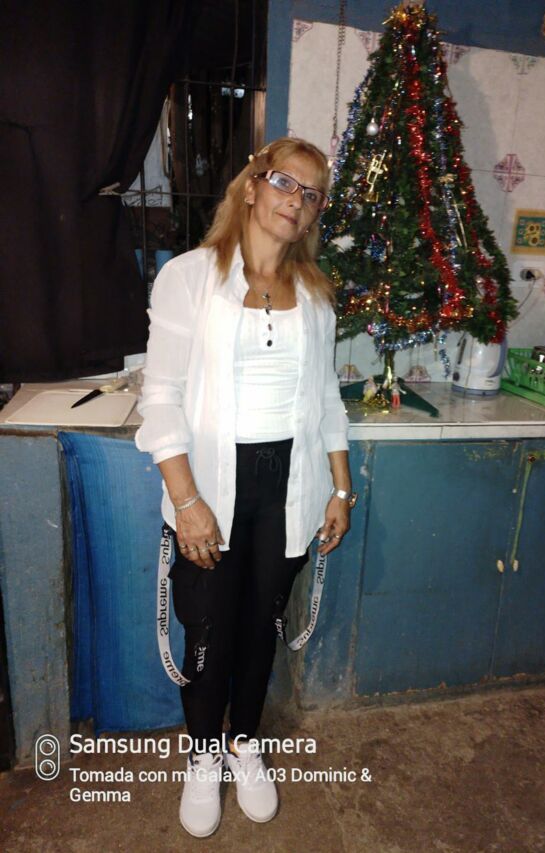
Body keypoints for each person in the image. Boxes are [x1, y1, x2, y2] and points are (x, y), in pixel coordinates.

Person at [135, 137, 356, 838]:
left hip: (289, 485)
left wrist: (340, 489)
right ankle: (203, 753)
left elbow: (328, 401)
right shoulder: (190, 278)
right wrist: (187, 501)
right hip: (210, 483)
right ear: (253, 186)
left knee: (263, 625)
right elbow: (160, 397)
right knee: (209, 627)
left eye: (312, 193)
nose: (298, 201)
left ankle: (243, 742)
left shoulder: (315, 297)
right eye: (286, 183)